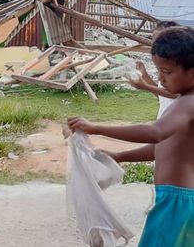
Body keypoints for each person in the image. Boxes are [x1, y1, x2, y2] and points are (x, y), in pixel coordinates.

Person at [68, 26, 194, 247]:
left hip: (176, 200)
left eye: (167, 72)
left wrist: (96, 128)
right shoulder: (184, 101)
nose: (161, 79)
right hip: (179, 198)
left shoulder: (187, 103)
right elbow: (162, 148)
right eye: (159, 72)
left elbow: (155, 134)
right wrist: (119, 156)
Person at [129, 21, 180, 119]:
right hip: (165, 125)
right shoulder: (164, 63)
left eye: (160, 40)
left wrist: (146, 87)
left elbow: (178, 95)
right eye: (154, 40)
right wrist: (145, 76)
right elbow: (162, 96)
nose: (154, 45)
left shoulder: (183, 64)